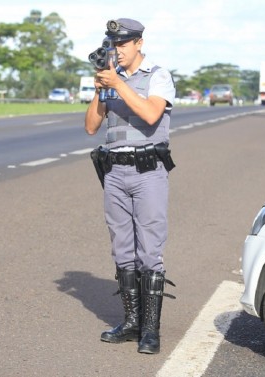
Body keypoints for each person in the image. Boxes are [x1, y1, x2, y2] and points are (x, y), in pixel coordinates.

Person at [84, 17, 176, 355]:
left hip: (148, 170)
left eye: (122, 44)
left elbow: (152, 115)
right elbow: (91, 127)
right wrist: (99, 91)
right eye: (113, 44)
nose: (117, 50)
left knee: (149, 250)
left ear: (138, 43)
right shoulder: (110, 79)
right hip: (115, 173)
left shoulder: (157, 76)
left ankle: (151, 331)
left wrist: (119, 86)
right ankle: (132, 322)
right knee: (122, 248)